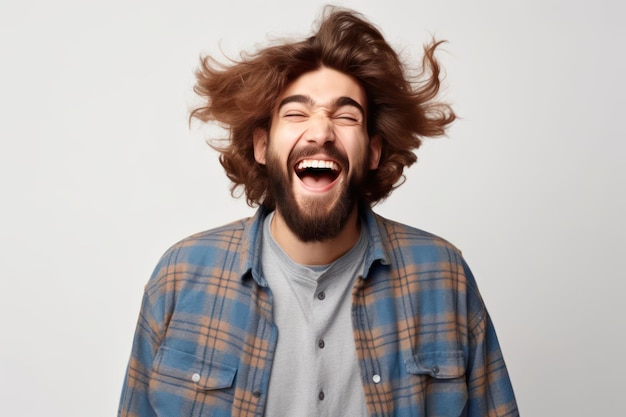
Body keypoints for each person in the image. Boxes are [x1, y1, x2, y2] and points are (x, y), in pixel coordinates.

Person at [118, 7, 519, 417]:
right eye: (296, 113)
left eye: (346, 116)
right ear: (262, 146)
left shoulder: (442, 276)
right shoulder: (181, 277)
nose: (322, 131)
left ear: (374, 151)